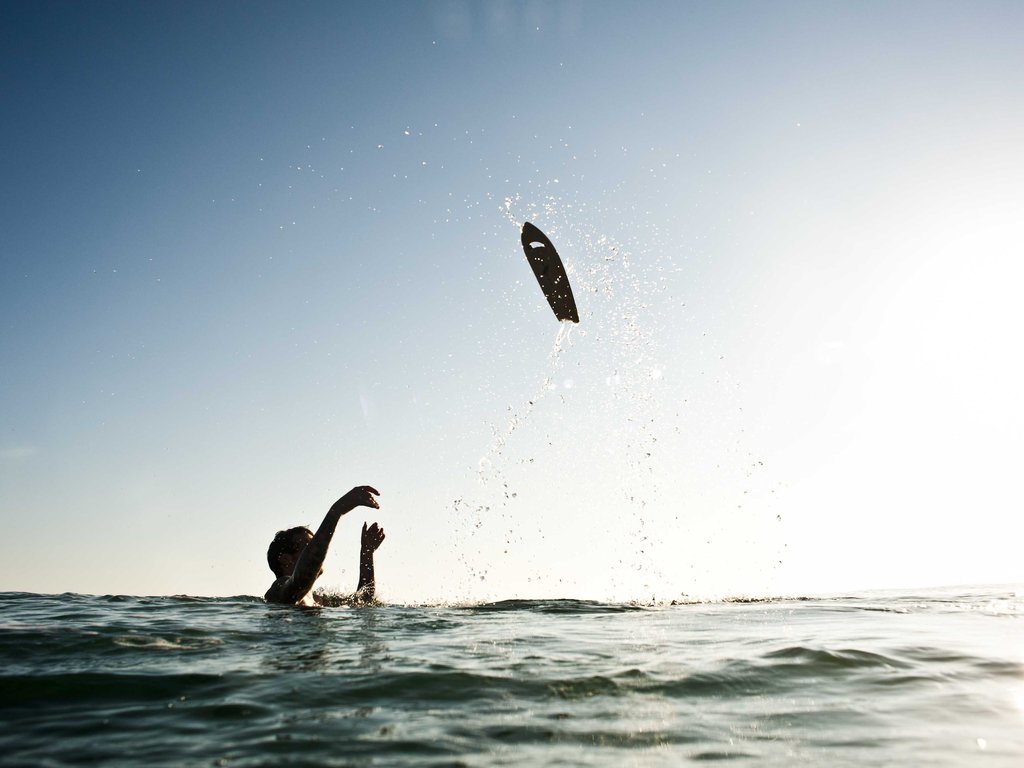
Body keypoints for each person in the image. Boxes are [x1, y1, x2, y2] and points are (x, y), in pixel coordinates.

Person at [265, 485, 385, 606]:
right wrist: (337, 511)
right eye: (308, 546)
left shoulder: (317, 600)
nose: (320, 549)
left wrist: (367, 552)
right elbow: (301, 580)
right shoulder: (279, 587)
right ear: (285, 559)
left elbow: (363, 600)